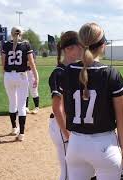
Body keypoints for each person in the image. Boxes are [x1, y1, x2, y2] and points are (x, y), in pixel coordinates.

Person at [64, 22, 123, 180]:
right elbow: (122, 118)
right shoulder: (110, 73)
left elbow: (66, 110)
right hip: (104, 145)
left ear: (80, 44)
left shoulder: (67, 72)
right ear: (103, 45)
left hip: (76, 144)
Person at [48, 31, 82, 180]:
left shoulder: (75, 70)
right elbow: (57, 108)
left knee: (77, 168)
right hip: (62, 125)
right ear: (68, 49)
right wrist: (67, 133)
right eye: (79, 46)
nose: (83, 50)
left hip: (72, 123)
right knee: (68, 170)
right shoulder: (59, 73)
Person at [1, 26, 39, 141]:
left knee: (12, 103)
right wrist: (36, 76)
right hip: (22, 75)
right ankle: (21, 134)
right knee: (22, 106)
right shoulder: (26, 45)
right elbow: (31, 63)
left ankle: (14, 128)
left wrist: (5, 75)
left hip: (8, 76)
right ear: (21, 34)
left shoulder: (6, 45)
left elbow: (3, 63)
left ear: (12, 34)